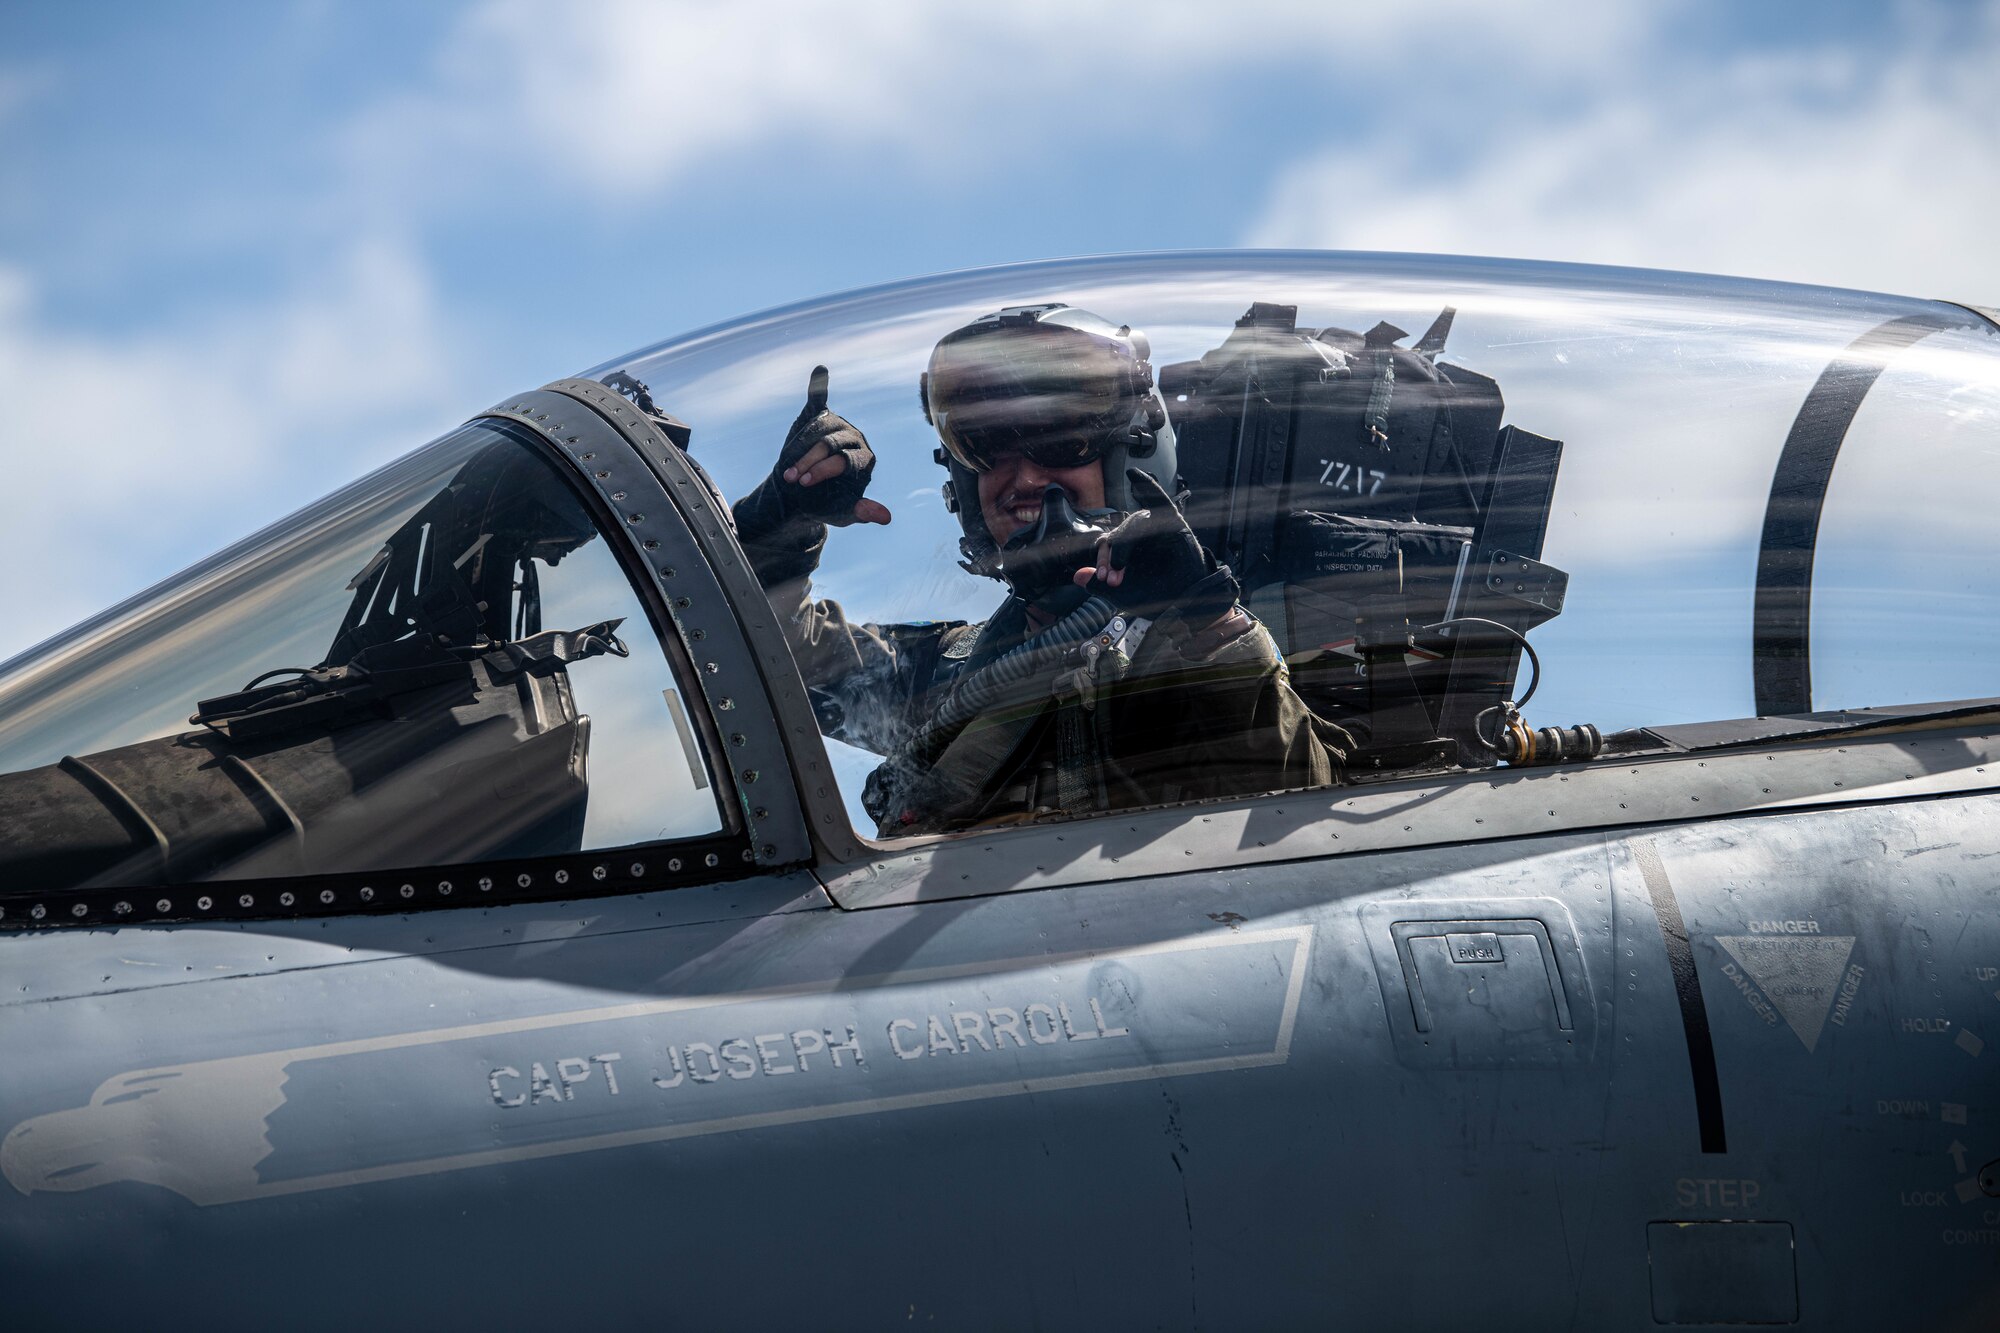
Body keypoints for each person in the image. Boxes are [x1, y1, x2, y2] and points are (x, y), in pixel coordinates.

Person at [731, 304, 1351, 835]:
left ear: (1132, 452)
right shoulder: (950, 670)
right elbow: (765, 660)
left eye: (1061, 438)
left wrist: (1206, 629)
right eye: (988, 447)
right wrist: (782, 523)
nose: (1024, 478)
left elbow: (1301, 823)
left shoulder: (1235, 643)